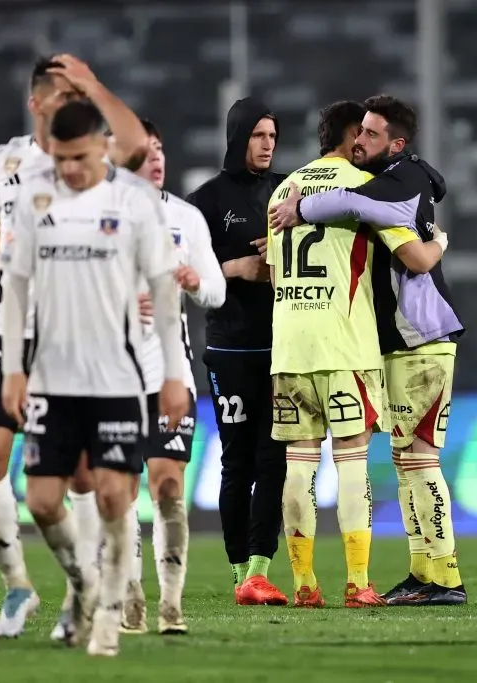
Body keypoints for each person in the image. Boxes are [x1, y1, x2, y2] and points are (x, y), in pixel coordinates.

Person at [0, 54, 150, 640]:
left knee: (77, 480)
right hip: (10, 326)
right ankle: (18, 587)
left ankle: (85, 587)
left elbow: (134, 144)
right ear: (36, 103)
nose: (69, 105)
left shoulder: (91, 159)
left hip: (76, 334)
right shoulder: (5, 165)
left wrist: (94, 87)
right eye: (61, 96)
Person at [0, 101, 189, 656]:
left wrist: (174, 376)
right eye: (60, 159)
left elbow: (166, 287)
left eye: (79, 158)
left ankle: (108, 609)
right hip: (52, 381)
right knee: (40, 501)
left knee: (112, 496)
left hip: (117, 380)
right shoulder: (34, 198)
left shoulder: (133, 203)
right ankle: (83, 581)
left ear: (103, 146)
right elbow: (14, 290)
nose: (69, 170)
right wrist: (14, 369)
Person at [268, 95, 465, 606]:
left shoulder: (294, 188)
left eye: (372, 136)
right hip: (366, 344)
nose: (362, 143)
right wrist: (441, 239)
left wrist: (438, 243)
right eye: (361, 133)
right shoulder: (368, 186)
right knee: (402, 461)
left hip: (412, 342)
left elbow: (417, 259)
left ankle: (444, 576)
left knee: (415, 460)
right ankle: (418, 576)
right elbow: (421, 245)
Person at [117, 118, 226, 635]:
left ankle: (171, 605)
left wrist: (195, 281)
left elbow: (218, 291)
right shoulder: (97, 216)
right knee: (116, 495)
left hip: (168, 373)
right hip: (107, 376)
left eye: (160, 149)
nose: (156, 159)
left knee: (166, 487)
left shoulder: (186, 218)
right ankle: (129, 590)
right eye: (145, 152)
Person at [187, 98, 289, 605]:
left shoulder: (287, 192)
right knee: (237, 462)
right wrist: (235, 269)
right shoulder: (204, 202)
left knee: (276, 461)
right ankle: (236, 570)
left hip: (283, 347)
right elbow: (180, 273)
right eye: (258, 136)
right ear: (238, 136)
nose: (268, 145)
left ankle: (260, 568)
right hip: (230, 348)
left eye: (272, 136)